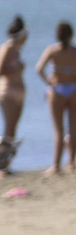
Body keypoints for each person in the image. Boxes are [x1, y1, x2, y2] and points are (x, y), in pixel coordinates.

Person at [35, 20, 76, 174]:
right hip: (73, 89)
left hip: (57, 90)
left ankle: (56, 165)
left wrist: (49, 84)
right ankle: (71, 162)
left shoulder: (52, 50)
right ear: (71, 35)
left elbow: (39, 68)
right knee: (73, 128)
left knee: (58, 130)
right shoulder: (74, 51)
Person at [0, 16, 29, 142]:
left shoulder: (16, 49)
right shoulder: (7, 48)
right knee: (9, 128)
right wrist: (17, 68)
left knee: (13, 129)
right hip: (8, 91)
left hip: (18, 90)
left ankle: (7, 158)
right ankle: (3, 156)